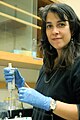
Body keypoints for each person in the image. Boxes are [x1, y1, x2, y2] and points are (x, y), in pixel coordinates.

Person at [4, 3, 80, 120]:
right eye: (49, 26)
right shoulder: (47, 64)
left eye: (61, 24)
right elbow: (40, 99)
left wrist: (49, 104)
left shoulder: (78, 64)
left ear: (72, 29)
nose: (54, 31)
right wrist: (20, 85)